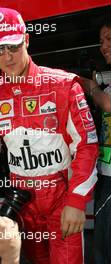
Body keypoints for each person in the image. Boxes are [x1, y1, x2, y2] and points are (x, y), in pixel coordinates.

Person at [0, 7, 98, 264]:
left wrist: (76, 202)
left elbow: (87, 146)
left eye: (13, 46)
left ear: (27, 40)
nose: (7, 57)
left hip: (61, 202)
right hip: (23, 204)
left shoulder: (64, 85)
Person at [82, 16, 111, 264]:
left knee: (102, 247)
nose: (104, 46)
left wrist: (87, 85)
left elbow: (109, 104)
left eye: (109, 38)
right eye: (102, 41)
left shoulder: (102, 88)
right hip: (107, 174)